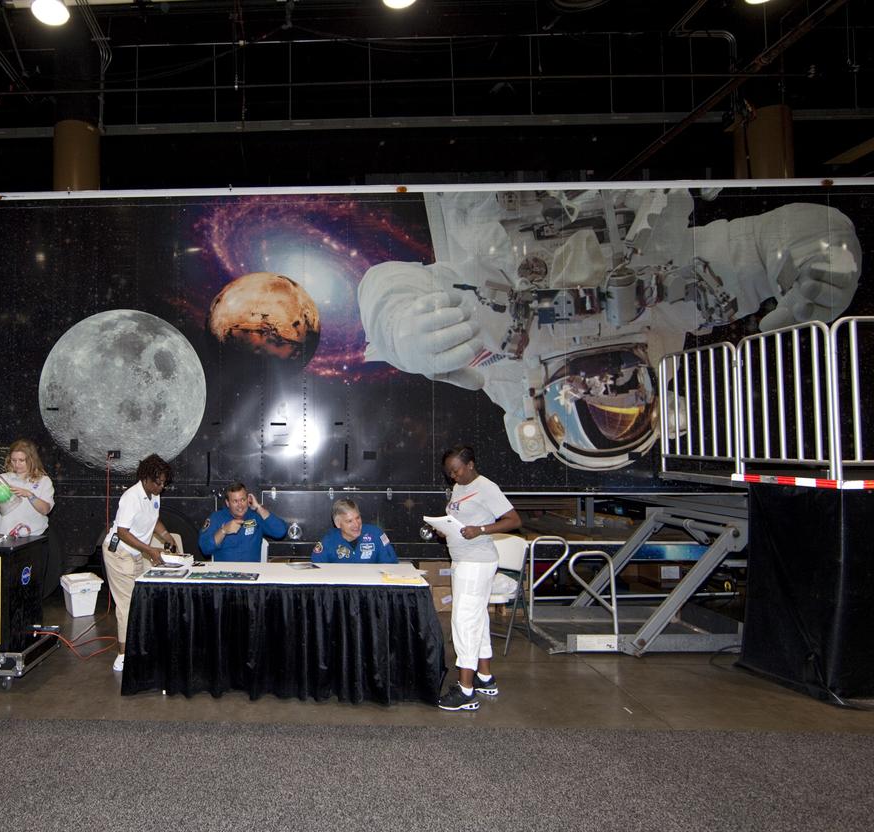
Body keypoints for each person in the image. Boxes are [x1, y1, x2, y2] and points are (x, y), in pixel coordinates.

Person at [358, 189, 862, 470]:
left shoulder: (500, 359)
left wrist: (400, 327)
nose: (601, 386)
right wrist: (823, 253)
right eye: (622, 409)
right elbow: (775, 242)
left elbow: (386, 284)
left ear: (541, 408)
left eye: (589, 409)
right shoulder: (668, 321)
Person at [436, 445, 522, 712]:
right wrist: (445, 529)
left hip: (476, 562)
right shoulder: (461, 486)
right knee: (478, 618)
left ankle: (465, 690)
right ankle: (485, 677)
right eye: (449, 472)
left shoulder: (486, 487)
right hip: (464, 561)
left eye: (456, 470)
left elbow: (513, 519)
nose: (453, 476)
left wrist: (481, 529)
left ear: (470, 464)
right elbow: (460, 519)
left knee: (464, 621)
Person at [104, 454, 177, 673]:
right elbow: (123, 532)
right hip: (119, 553)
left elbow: (154, 519)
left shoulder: (153, 494)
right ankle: (123, 656)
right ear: (146, 478)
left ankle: (137, 645)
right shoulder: (131, 497)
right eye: (159, 482)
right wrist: (149, 550)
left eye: (164, 482)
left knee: (139, 600)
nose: (162, 487)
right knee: (127, 605)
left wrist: (167, 537)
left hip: (135, 553)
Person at [0, 439, 55, 537]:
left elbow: (45, 510)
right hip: (2, 536)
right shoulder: (1, 480)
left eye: (21, 460)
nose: (17, 464)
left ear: (31, 459)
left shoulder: (44, 481)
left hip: (32, 537)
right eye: (14, 460)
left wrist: (30, 495)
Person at [198, 482, 287, 562]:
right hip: (225, 574)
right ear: (227, 503)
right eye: (235, 501)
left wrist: (258, 508)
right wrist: (223, 531)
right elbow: (205, 549)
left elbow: (280, 532)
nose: (240, 505)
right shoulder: (216, 518)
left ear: (248, 500)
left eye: (243, 500)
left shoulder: (255, 517)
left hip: (251, 574)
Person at [311, 499, 398, 564]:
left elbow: (391, 566)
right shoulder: (328, 541)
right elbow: (317, 570)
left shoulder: (376, 534)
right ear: (338, 524)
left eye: (358, 518)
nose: (356, 524)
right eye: (349, 521)